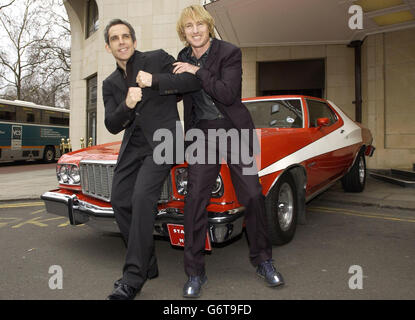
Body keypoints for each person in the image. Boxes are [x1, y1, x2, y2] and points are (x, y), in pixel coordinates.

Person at [173, 5, 285, 298]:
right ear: (183, 32)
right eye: (189, 26)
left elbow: (227, 93)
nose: (195, 30)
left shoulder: (229, 52)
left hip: (233, 129)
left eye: (200, 24)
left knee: (251, 194)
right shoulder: (181, 58)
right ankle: (195, 272)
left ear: (209, 26)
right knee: (195, 198)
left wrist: (196, 71)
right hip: (202, 133)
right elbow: (176, 92)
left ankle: (263, 260)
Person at [102, 19, 200, 300]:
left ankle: (133, 277)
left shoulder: (156, 58)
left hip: (164, 142)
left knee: (142, 197)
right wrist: (127, 104)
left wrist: (153, 80)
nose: (122, 42)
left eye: (126, 36)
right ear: (108, 47)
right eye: (115, 39)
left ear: (133, 40)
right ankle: (149, 262)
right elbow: (111, 123)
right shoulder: (110, 84)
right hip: (133, 144)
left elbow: (190, 81)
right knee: (120, 200)